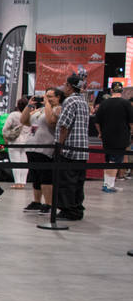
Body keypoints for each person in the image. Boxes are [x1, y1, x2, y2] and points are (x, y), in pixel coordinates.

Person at [54, 74, 90, 220]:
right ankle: (77, 208)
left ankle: (68, 211)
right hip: (82, 149)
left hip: (69, 149)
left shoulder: (70, 101)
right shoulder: (83, 101)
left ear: (69, 86)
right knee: (78, 182)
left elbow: (64, 126)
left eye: (65, 85)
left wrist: (59, 145)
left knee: (66, 182)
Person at [21, 89, 61, 213]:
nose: (47, 98)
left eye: (50, 96)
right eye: (46, 96)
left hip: (45, 148)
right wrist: (29, 106)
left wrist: (47, 104)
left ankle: (48, 203)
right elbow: (24, 121)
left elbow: (51, 121)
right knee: (35, 177)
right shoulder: (40, 110)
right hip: (31, 147)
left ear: (58, 97)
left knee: (46, 177)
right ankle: (36, 201)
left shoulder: (57, 109)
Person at [95, 82, 133, 193]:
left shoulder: (104, 103)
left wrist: (100, 133)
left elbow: (97, 122)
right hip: (121, 136)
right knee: (115, 160)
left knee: (108, 160)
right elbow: (131, 122)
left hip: (107, 136)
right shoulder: (126, 103)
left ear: (111, 90)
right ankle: (109, 185)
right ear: (122, 91)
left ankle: (107, 184)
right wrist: (131, 132)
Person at [2, 97, 33, 189]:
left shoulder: (14, 115)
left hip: (14, 141)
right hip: (26, 141)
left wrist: (6, 138)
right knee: (24, 162)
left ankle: (17, 182)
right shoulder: (31, 115)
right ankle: (23, 182)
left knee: (15, 162)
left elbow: (5, 128)